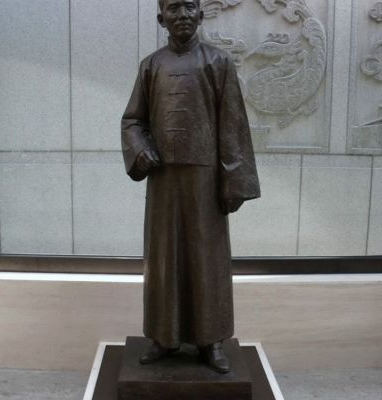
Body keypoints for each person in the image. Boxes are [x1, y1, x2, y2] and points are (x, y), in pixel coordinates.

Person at [121, 0, 260, 373]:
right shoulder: (151, 65)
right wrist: (141, 149)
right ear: (160, 18)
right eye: (173, 8)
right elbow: (133, 120)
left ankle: (210, 340)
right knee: (163, 258)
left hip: (205, 180)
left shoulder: (218, 62)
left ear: (200, 14)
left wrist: (234, 181)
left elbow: (233, 122)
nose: (182, 15)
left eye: (189, 7)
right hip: (163, 179)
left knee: (206, 258)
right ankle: (162, 336)